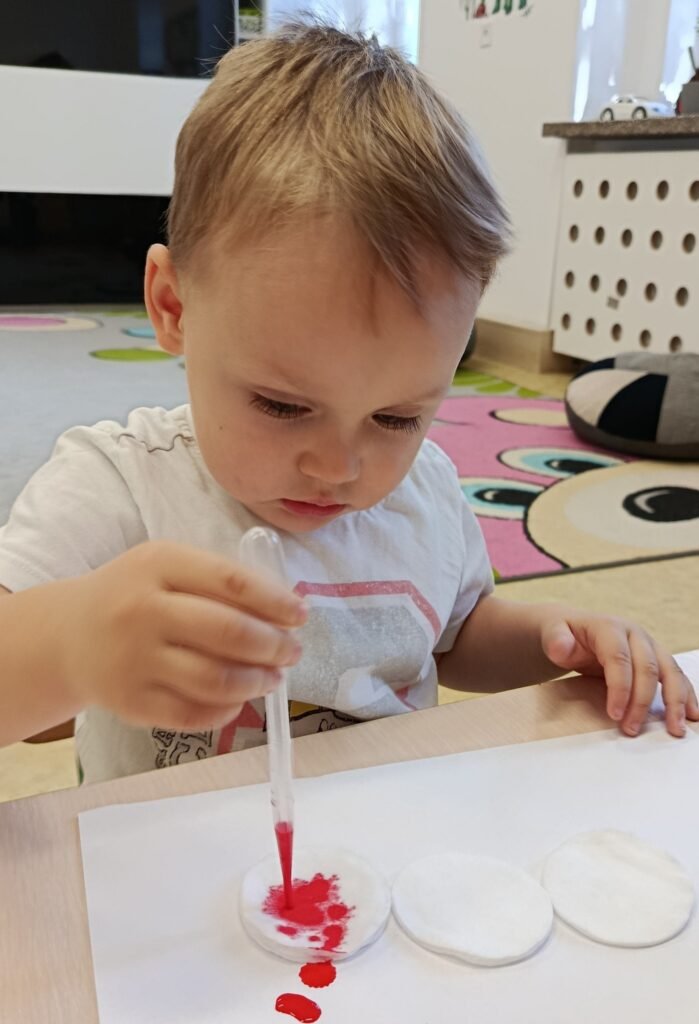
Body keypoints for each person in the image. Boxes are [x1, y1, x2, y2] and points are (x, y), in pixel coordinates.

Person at [0, 21, 696, 782]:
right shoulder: (118, 485)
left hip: (380, 831)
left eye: (397, 417)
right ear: (173, 308)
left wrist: (555, 641)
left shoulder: (424, 491)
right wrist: (71, 645)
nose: (338, 467)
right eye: (281, 405)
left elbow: (457, 635)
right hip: (163, 841)